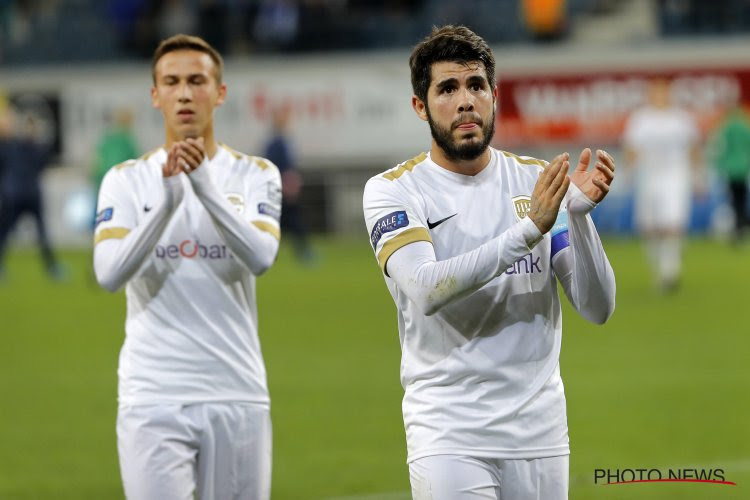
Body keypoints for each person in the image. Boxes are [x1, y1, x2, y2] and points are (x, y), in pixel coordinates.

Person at [362, 25, 616, 500]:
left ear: (494, 97)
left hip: (540, 433)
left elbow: (597, 308)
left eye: (476, 85)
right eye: (447, 89)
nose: (465, 101)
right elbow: (425, 288)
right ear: (421, 106)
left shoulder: (536, 181)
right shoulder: (394, 190)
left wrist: (578, 220)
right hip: (449, 432)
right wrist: (529, 229)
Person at [93, 34, 281, 499]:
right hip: (152, 395)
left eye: (197, 81)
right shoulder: (126, 180)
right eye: (171, 82)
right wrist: (167, 202)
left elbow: (260, 258)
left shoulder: (256, 174)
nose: (184, 93)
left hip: (235, 391)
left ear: (219, 93)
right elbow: (109, 274)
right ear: (155, 96)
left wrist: (204, 186)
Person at [623, 77, 701, 292]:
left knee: (672, 222)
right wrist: (627, 173)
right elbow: (632, 147)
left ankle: (670, 270)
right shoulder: (641, 119)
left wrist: (697, 176)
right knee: (649, 226)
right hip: (648, 174)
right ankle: (658, 266)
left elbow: (693, 147)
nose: (659, 96)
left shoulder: (681, 118)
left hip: (675, 173)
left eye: (663, 91)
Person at [0, 106, 63, 281]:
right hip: (23, 194)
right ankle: (52, 268)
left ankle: (52, 267)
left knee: (7, 233)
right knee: (10, 233)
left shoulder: (13, 147)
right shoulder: (28, 147)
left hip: (17, 194)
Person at [263, 104, 314, 262]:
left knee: (287, 220)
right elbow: (274, 166)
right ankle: (301, 252)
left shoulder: (283, 141)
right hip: (281, 189)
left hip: (285, 188)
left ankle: (299, 251)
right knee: (289, 220)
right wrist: (285, 184)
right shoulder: (275, 144)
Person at [710, 104, 750, 241]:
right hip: (743, 169)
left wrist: (719, 165)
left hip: (731, 170)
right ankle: (741, 225)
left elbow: (719, 149)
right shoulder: (745, 128)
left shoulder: (726, 129)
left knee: (734, 200)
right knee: (741, 200)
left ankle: (739, 226)